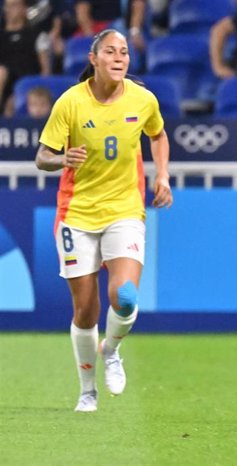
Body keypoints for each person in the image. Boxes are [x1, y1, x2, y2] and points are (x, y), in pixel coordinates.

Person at [34, 29, 173, 412]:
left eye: (125, 52)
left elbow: (158, 135)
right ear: (93, 59)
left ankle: (111, 349)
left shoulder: (143, 99)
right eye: (110, 51)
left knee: (125, 296)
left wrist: (161, 174)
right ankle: (87, 390)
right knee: (85, 309)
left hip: (125, 208)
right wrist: (63, 159)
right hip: (76, 214)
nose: (119, 58)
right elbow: (42, 156)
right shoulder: (71, 103)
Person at [0, 0, 51, 116]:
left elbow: (45, 68)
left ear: (24, 8)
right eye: (7, 6)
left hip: (28, 80)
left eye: (14, 5)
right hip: (4, 83)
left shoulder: (37, 34)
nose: (10, 9)